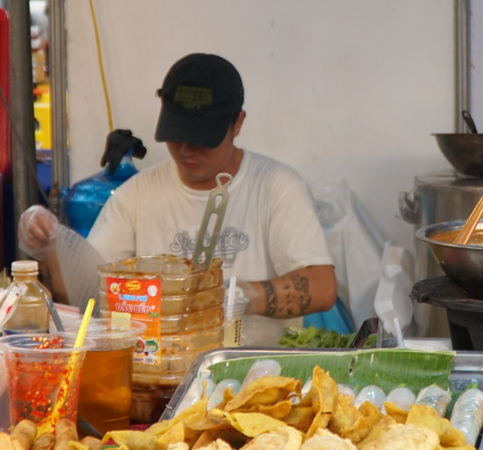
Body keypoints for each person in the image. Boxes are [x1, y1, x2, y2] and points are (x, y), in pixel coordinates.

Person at [19, 53, 337, 346]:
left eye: (201, 138)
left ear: (237, 123)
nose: (186, 150)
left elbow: (322, 289)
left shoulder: (277, 188)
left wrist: (245, 296)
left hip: (257, 368)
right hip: (158, 369)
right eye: (177, 135)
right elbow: (87, 294)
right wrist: (49, 246)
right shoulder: (136, 196)